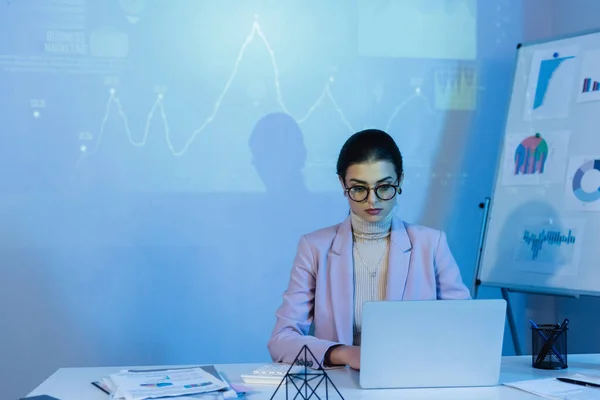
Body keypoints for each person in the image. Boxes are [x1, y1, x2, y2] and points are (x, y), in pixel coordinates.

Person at [267, 128, 471, 370]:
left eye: (384, 187)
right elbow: (280, 341)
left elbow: (465, 329)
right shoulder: (315, 247)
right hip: (341, 386)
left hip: (414, 381)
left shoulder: (431, 244)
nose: (372, 201)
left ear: (400, 180)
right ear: (342, 184)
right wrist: (343, 353)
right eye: (359, 189)